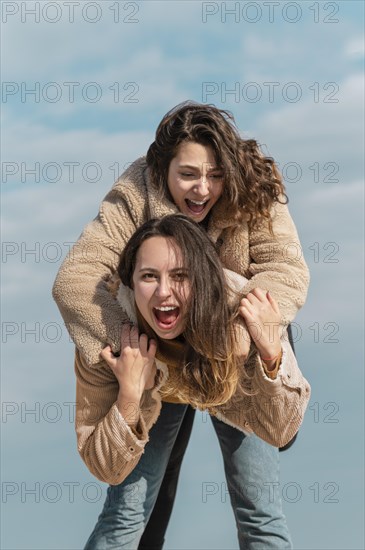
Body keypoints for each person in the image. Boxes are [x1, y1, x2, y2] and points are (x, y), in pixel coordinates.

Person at [52, 101, 310, 548]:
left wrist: (237, 333)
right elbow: (76, 280)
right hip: (162, 356)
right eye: (188, 174)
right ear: (161, 169)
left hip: (236, 355)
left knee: (258, 508)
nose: (202, 189)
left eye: (214, 175)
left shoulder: (253, 186)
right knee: (133, 508)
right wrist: (134, 349)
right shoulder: (137, 189)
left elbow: (287, 271)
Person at [74, 214, 311, 548]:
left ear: (202, 278)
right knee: (125, 512)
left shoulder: (246, 312)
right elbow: (106, 467)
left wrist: (272, 355)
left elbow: (283, 430)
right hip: (156, 387)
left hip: (227, 370)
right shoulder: (110, 338)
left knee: (259, 513)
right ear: (130, 280)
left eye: (180, 276)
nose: (163, 292)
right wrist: (129, 394)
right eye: (148, 276)